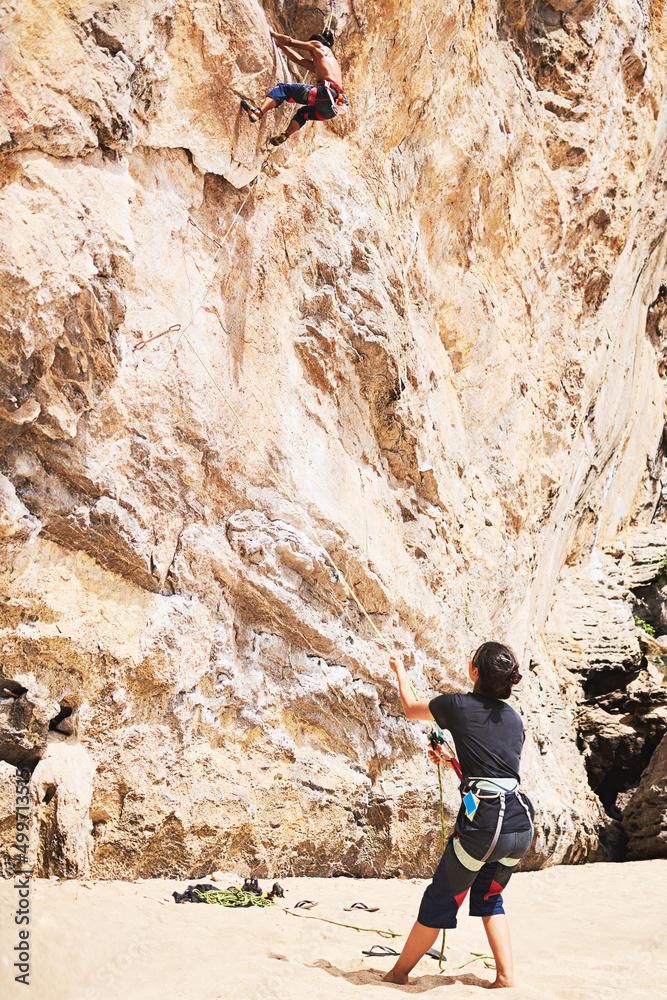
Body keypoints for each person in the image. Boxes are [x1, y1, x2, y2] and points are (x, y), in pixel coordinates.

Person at [383, 642, 535, 989]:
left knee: (441, 898)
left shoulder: (456, 705)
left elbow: (410, 709)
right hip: (520, 824)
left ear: (475, 672)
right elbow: (494, 773)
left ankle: (398, 974)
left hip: (485, 827)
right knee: (489, 896)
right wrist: (451, 762)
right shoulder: (514, 719)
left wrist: (400, 671)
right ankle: (505, 977)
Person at [240, 29, 348, 146]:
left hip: (326, 94)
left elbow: (291, 41)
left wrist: (273, 33)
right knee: (303, 114)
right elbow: (299, 60)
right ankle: (285, 135)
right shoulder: (325, 64)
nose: (311, 55)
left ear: (318, 41)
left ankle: (258, 112)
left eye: (311, 52)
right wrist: (281, 46)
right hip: (332, 109)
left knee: (282, 89)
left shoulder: (319, 45)